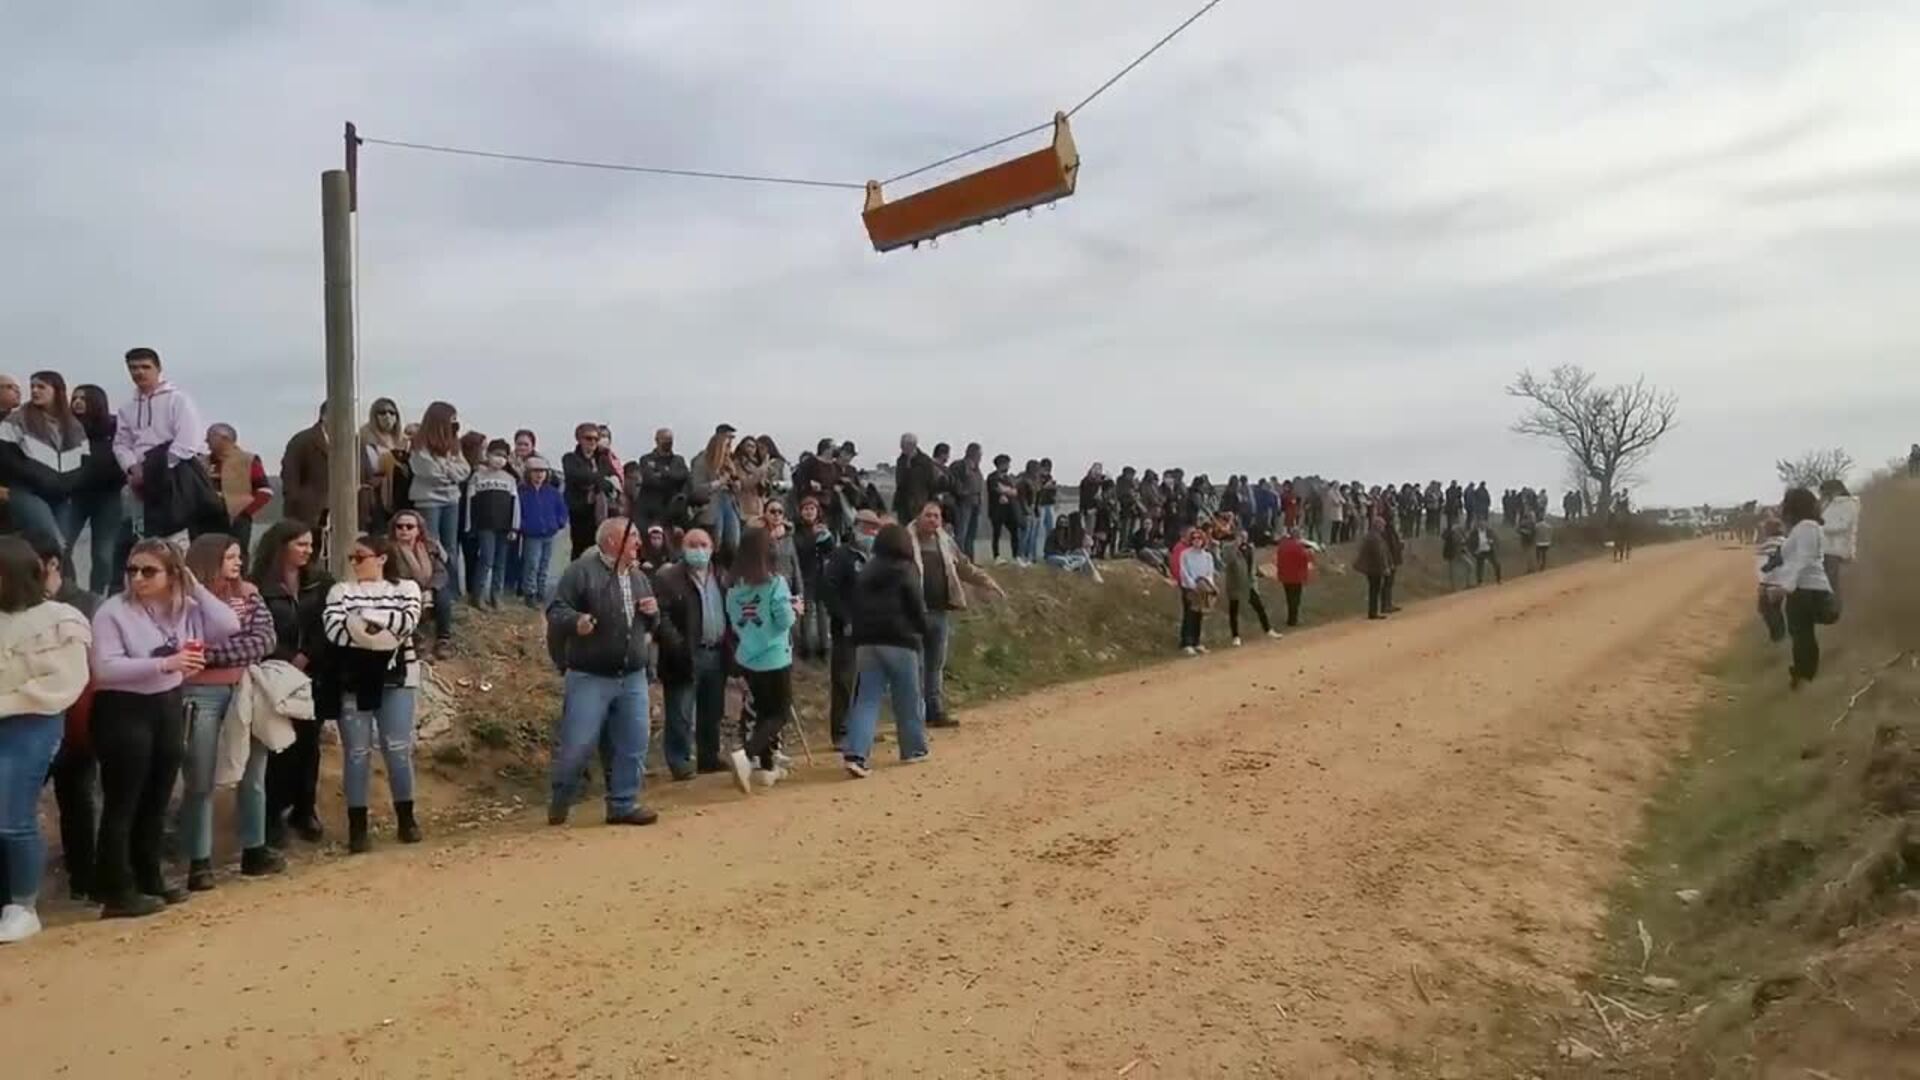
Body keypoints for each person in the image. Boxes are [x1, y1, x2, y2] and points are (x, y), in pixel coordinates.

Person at [88, 538, 241, 917]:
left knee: (157, 797)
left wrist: (193, 584)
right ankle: (116, 888)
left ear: (171, 575)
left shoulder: (182, 606)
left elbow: (228, 625)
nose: (137, 578)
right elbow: (104, 668)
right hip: (124, 707)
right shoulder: (113, 612)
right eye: (132, 570)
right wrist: (164, 664)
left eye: (149, 570)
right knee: (124, 799)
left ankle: (148, 875)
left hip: (166, 703)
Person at [177, 534, 283, 890]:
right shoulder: (183, 602)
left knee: (253, 773)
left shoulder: (249, 594)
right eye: (230, 557)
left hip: (245, 689)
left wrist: (209, 654)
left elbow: (263, 640)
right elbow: (183, 644)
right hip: (199, 692)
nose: (238, 564)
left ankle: (255, 849)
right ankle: (199, 862)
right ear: (210, 560)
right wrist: (213, 652)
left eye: (240, 557)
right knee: (200, 777)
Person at [0, 535, 92, 942]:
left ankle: (23, 905)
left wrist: (7, 701)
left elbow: (66, 682)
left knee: (13, 816)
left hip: (32, 724)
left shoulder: (61, 618)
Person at [545, 518, 661, 826]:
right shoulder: (580, 571)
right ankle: (561, 797)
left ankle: (623, 803)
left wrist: (653, 613)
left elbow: (650, 625)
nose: (638, 541)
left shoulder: (638, 577)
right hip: (589, 676)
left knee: (634, 742)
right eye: (632, 536)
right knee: (578, 745)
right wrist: (576, 622)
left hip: (632, 675)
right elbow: (556, 610)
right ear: (612, 541)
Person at [321, 535, 424, 852]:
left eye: (360, 557)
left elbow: (407, 623)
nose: (354, 563)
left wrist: (363, 621)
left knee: (397, 748)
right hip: (354, 676)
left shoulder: (406, 588)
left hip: (397, 677)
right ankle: (358, 827)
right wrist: (380, 628)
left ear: (381, 558)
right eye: (351, 558)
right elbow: (334, 629)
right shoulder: (341, 590)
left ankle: (406, 818)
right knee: (356, 752)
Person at [253, 520, 329, 847]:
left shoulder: (321, 582)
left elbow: (329, 623)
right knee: (278, 745)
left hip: (314, 672)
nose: (308, 550)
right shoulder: (258, 584)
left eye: (310, 545)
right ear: (281, 546)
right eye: (301, 544)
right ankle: (271, 816)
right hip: (274, 674)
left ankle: (305, 809)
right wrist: (286, 657)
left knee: (309, 746)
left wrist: (308, 655)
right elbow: (257, 629)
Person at [839, 523, 932, 778]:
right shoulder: (907, 569)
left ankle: (856, 754)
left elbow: (854, 604)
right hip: (901, 641)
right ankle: (913, 749)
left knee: (866, 700)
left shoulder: (866, 570)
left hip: (867, 643)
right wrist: (924, 632)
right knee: (907, 699)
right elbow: (916, 606)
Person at [910, 501, 1004, 728]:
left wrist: (988, 582)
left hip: (940, 611)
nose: (932, 519)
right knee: (917, 666)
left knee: (935, 665)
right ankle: (915, 714)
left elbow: (963, 566)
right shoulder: (905, 541)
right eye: (928, 515)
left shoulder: (945, 541)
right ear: (919, 517)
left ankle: (935, 711)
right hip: (914, 613)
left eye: (936, 516)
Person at [0, 371, 104, 570]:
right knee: (54, 541)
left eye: (41, 387)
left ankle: (56, 591)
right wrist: (37, 476)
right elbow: (7, 457)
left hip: (61, 495)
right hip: (28, 492)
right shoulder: (17, 419)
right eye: (33, 387)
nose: (35, 391)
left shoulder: (73, 426)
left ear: (57, 390)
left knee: (60, 547)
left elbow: (85, 462)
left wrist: (70, 484)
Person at [112, 348, 217, 541]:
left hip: (175, 472)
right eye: (133, 368)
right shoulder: (127, 409)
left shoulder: (178, 400)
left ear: (158, 369)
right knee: (142, 535)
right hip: (139, 478)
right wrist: (132, 467)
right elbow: (121, 443)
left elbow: (188, 440)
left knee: (178, 534)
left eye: (145, 367)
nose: (139, 372)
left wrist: (155, 468)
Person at [723, 528, 799, 793]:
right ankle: (746, 754)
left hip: (749, 657)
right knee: (779, 712)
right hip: (775, 657)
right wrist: (794, 609)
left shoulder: (734, 588)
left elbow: (734, 622)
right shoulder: (776, 584)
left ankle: (767, 767)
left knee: (764, 712)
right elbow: (784, 620)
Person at [652, 529, 730, 781]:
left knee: (712, 710)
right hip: (684, 655)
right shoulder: (668, 577)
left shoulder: (721, 575)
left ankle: (709, 756)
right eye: (692, 544)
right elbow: (660, 617)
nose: (699, 550)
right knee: (681, 711)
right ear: (683, 548)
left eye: (703, 544)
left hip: (716, 651)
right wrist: (677, 645)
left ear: (712, 547)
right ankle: (680, 760)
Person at [821, 510, 882, 743]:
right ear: (856, 527)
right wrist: (844, 618)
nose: (872, 533)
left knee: (866, 680)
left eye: (875, 528)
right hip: (846, 629)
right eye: (868, 527)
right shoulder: (842, 556)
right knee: (844, 681)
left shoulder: (875, 557)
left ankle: (862, 727)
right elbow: (828, 589)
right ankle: (841, 732)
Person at [1766, 487, 1835, 690]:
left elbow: (1803, 560)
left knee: (1802, 636)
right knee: (1802, 636)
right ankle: (1804, 677)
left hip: (1805, 589)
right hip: (1806, 588)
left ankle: (1804, 678)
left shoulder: (1806, 527)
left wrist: (1785, 588)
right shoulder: (1804, 527)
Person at [63, 384, 124, 592]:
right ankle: (69, 592)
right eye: (75, 398)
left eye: (84, 398)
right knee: (61, 546)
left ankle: (97, 598)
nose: (78, 402)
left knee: (103, 554)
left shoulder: (115, 426)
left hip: (108, 497)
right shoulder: (66, 428)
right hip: (74, 496)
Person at [407, 402, 470, 600]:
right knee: (431, 545)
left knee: (451, 546)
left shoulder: (453, 443)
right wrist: (451, 470)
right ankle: (433, 590)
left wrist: (447, 469)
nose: (455, 423)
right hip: (428, 501)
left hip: (452, 500)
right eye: (451, 419)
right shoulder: (419, 443)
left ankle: (450, 593)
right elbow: (428, 472)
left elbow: (465, 470)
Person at [387, 510, 452, 659]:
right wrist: (414, 588)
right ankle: (415, 641)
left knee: (443, 595)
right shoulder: (388, 549)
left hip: (427, 589)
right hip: (402, 589)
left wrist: (430, 588)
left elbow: (441, 572)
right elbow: (389, 575)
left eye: (409, 527)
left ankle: (443, 640)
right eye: (400, 526)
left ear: (418, 530)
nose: (404, 530)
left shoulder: (428, 547)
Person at [205, 423, 272, 561]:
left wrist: (244, 513)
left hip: (237, 521)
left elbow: (265, 492)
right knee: (207, 559)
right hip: (205, 521)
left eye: (210, 437)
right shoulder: (202, 462)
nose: (206, 441)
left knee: (236, 558)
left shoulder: (247, 460)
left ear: (225, 439)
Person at [466, 439, 520, 610]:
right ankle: (478, 595)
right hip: (484, 525)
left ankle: (496, 595)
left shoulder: (510, 479)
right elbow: (470, 502)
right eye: (496, 455)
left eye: (503, 456)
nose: (499, 459)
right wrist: (469, 525)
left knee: (500, 562)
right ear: (488, 455)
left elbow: (515, 505)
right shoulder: (477, 477)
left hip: (504, 526)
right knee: (486, 559)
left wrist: (514, 527)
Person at [1215, 516, 1278, 646]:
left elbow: (1252, 565)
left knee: (1259, 607)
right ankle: (1235, 636)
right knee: (1234, 611)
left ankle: (1268, 629)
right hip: (1235, 583)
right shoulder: (1229, 548)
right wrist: (1235, 545)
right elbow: (1227, 560)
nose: (1243, 538)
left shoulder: (1249, 549)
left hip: (1249, 583)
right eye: (1241, 536)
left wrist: (1258, 575)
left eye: (1245, 536)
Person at [561, 422, 619, 561]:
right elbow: (577, 475)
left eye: (596, 439)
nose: (592, 442)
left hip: (600, 512)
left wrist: (601, 480)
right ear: (579, 439)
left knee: (600, 552)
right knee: (580, 552)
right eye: (588, 438)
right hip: (580, 512)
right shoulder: (570, 458)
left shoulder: (602, 460)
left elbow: (612, 479)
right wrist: (600, 480)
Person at [517, 456, 567, 606]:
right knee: (532, 563)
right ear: (529, 473)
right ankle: (529, 592)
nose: (539, 475)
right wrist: (523, 526)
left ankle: (541, 591)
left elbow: (562, 509)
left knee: (544, 563)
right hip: (532, 534)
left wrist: (559, 523)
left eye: (542, 471)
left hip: (549, 532)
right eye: (535, 471)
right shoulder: (523, 492)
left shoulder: (552, 492)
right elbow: (518, 512)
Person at [691, 426, 744, 562]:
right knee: (715, 543)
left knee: (733, 543)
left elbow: (738, 485)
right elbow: (697, 489)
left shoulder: (729, 462)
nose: (729, 449)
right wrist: (719, 482)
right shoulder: (702, 460)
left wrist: (735, 484)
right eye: (727, 444)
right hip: (711, 506)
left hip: (729, 502)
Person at [793, 497, 835, 660]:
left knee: (823, 613)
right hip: (804, 577)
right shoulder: (797, 530)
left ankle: (825, 646)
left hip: (822, 576)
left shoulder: (823, 528)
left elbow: (831, 552)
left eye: (812, 509)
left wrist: (826, 537)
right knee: (805, 612)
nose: (809, 512)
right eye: (806, 509)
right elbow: (800, 549)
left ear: (818, 512)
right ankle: (806, 647)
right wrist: (813, 537)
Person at [279, 404, 331, 535]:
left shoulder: (351, 442)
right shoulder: (303, 440)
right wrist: (296, 505)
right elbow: (290, 474)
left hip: (342, 509)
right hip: (308, 511)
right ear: (324, 416)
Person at [357, 397, 407, 532]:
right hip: (374, 497)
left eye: (392, 413)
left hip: (399, 496)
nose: (387, 416)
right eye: (382, 412)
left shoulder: (404, 441)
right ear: (374, 415)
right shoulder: (362, 439)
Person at [633, 428, 691, 532]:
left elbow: (684, 476)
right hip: (652, 509)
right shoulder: (646, 459)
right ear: (656, 440)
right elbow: (650, 480)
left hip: (674, 509)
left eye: (670, 439)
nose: (668, 442)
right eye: (664, 439)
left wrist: (662, 473)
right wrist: (673, 479)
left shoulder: (679, 460)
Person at [1176, 526, 1218, 655]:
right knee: (1189, 614)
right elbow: (1183, 571)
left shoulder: (1207, 556)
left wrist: (1207, 584)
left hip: (1203, 587)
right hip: (1189, 588)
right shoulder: (1185, 554)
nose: (1196, 540)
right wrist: (1192, 584)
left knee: (1199, 615)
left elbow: (1210, 572)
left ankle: (1197, 641)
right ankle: (1186, 642)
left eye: (1199, 538)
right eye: (1194, 538)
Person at [1818, 479, 1859, 604]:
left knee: (1831, 582)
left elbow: (1843, 525)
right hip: (1824, 548)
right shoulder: (1828, 505)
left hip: (1837, 549)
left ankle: (1833, 607)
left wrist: (1820, 528)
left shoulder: (1850, 504)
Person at [1754, 515, 1788, 644]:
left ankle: (1777, 637)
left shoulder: (1769, 545)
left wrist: (1763, 583)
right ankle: (1779, 637)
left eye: (1765, 528)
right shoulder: (1784, 542)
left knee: (1767, 610)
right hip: (1779, 581)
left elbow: (1766, 566)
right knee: (1774, 609)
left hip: (1770, 582)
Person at [892, 434, 938, 526]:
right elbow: (899, 481)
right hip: (902, 503)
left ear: (912, 445)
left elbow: (932, 482)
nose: (901, 448)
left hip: (919, 504)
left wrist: (931, 502)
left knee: (917, 529)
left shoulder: (925, 461)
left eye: (903, 445)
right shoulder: (901, 460)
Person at [1273, 527, 1315, 628]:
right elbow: (1306, 559)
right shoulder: (1299, 547)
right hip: (1296, 577)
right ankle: (1293, 620)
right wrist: (1310, 553)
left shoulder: (1283, 546)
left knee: (1289, 598)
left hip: (1285, 576)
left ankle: (1291, 618)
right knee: (1295, 599)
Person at [951, 443, 986, 559]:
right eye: (979, 454)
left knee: (971, 534)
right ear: (973, 453)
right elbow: (953, 482)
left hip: (975, 504)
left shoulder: (977, 469)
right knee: (961, 533)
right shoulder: (959, 466)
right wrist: (963, 492)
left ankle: (970, 559)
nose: (980, 457)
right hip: (963, 504)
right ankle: (959, 558)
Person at [986, 454, 1020, 564]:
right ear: (1001, 464)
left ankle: (1016, 556)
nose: (1009, 466)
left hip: (1009, 511)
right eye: (1007, 464)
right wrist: (1006, 490)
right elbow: (995, 489)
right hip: (996, 510)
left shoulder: (1008, 478)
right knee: (997, 533)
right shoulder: (992, 477)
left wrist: (1005, 490)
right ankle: (997, 557)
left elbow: (1015, 492)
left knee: (1014, 531)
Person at [1356, 518, 1391, 621]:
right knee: (1374, 590)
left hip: (1372, 567)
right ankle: (1373, 612)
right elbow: (1379, 554)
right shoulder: (1375, 538)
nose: (1383, 528)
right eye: (1382, 525)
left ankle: (1373, 611)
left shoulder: (1372, 536)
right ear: (1378, 526)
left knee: (1374, 590)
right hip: (1374, 568)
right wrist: (1385, 567)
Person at [1469, 520, 1502, 585]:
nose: (1483, 526)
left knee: (1497, 564)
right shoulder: (1474, 533)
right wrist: (1473, 552)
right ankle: (1480, 582)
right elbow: (1470, 543)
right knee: (1480, 567)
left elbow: (1496, 539)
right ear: (1478, 525)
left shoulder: (1490, 531)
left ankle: (1499, 579)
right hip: (1480, 551)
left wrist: (1492, 541)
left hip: (1489, 550)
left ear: (1486, 525)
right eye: (1481, 525)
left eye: (1484, 525)